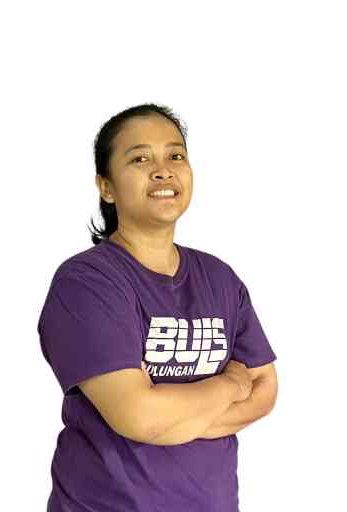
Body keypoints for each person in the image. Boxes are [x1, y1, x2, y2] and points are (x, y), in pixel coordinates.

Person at [37, 103, 278, 512]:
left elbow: (265, 391)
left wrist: (170, 419)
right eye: (140, 159)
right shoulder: (86, 282)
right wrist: (229, 386)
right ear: (106, 187)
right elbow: (139, 416)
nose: (163, 170)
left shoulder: (219, 278)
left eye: (176, 155)